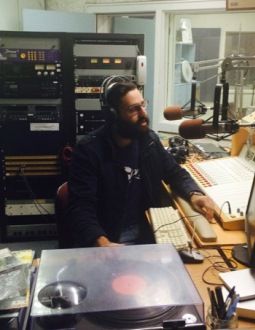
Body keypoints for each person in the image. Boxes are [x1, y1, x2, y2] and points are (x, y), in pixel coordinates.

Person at [65, 76, 214, 247]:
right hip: (111, 237)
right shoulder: (89, 150)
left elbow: (174, 172)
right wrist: (101, 242)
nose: (143, 114)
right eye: (133, 109)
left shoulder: (148, 140)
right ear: (113, 116)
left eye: (143, 105)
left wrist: (194, 194)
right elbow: (81, 207)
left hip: (147, 232)